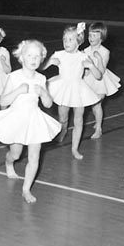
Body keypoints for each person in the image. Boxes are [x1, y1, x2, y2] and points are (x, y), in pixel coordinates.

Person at [0, 40, 61, 203]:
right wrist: (18, 91)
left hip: (34, 119)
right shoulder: (13, 77)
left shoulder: (41, 78)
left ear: (42, 58)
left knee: (34, 157)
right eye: (29, 55)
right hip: (17, 118)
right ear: (21, 57)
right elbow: (3, 101)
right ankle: (9, 163)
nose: (33, 59)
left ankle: (26, 189)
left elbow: (48, 104)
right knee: (15, 154)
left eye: (37, 56)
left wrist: (43, 93)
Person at [43, 22, 102, 160]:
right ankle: (63, 130)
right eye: (64, 39)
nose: (66, 42)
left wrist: (91, 66)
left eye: (70, 39)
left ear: (79, 41)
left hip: (78, 90)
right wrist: (49, 62)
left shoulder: (83, 57)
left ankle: (75, 148)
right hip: (63, 88)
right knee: (63, 118)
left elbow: (98, 76)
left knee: (78, 120)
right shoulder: (59, 54)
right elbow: (41, 68)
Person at [83, 21, 121, 139]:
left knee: (96, 105)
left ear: (101, 37)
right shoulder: (85, 51)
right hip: (88, 80)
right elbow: (85, 70)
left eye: (94, 35)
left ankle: (98, 128)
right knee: (91, 104)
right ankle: (97, 121)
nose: (91, 38)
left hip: (100, 81)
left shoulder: (105, 52)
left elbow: (101, 71)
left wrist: (99, 59)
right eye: (90, 35)